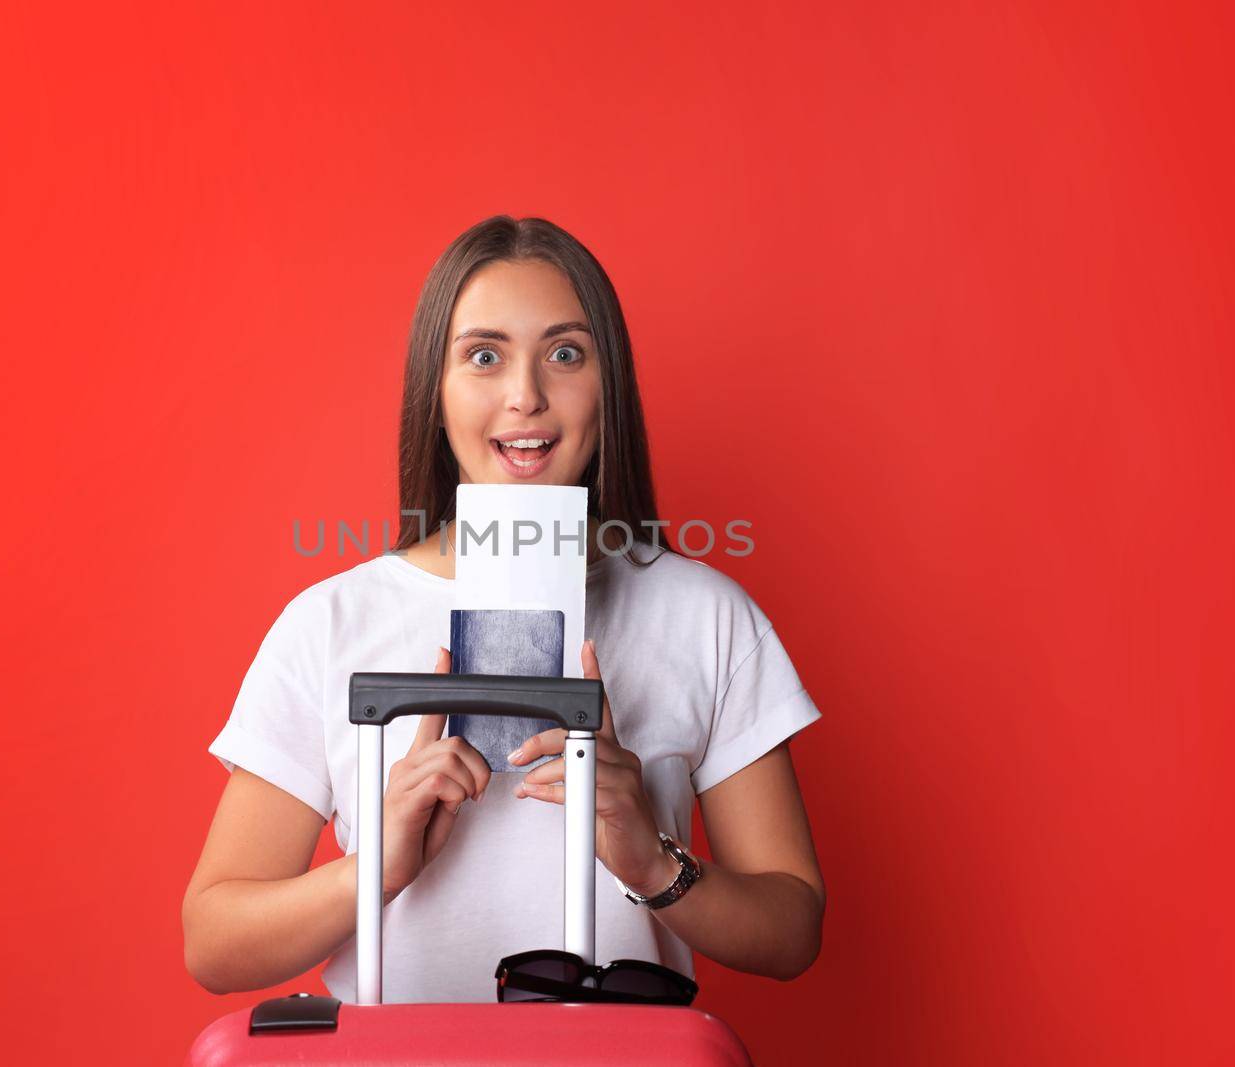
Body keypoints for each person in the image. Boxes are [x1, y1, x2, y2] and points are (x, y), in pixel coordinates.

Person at [182, 215, 826, 1002]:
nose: (525, 395)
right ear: (436, 389)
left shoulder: (707, 615)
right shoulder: (331, 623)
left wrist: (653, 861)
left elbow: (792, 927)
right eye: (484, 356)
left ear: (607, 383)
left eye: (564, 353)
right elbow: (214, 939)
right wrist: (372, 870)